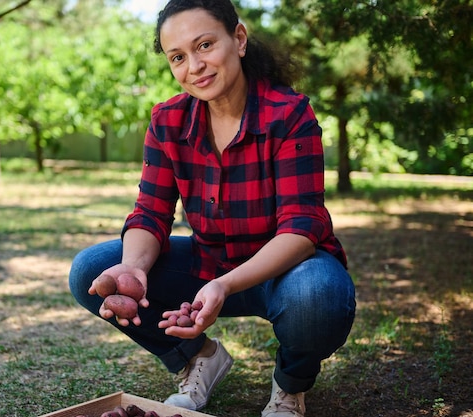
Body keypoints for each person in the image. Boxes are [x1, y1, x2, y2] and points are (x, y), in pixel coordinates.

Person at [68, 0, 356, 415]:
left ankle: (290, 386)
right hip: (207, 262)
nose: (195, 66)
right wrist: (132, 267)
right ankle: (199, 356)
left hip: (286, 270)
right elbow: (150, 212)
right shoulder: (168, 120)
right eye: (178, 57)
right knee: (90, 272)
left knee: (320, 295)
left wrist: (225, 285)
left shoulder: (289, 114)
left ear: (238, 39)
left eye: (205, 45)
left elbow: (302, 227)